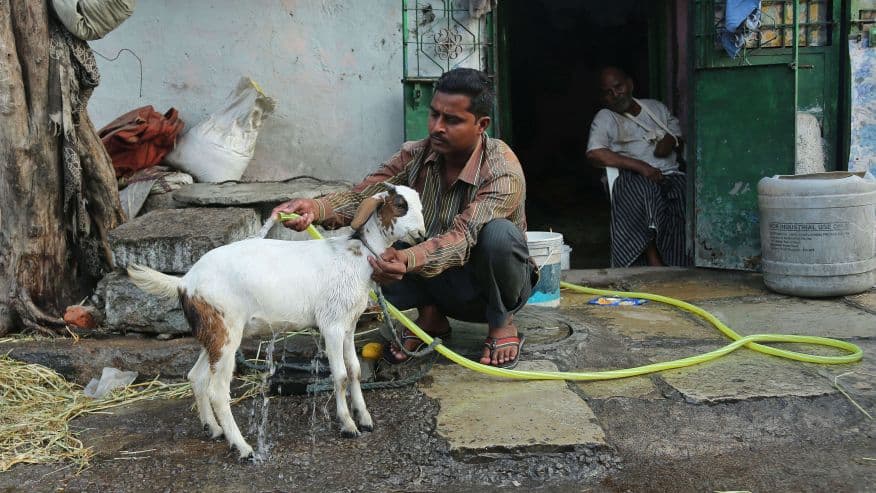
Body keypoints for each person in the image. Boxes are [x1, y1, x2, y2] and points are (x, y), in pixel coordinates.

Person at [272, 68, 535, 369]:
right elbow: (365, 196)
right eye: (434, 114)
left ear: (481, 124)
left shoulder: (502, 170)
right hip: (436, 281)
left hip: (485, 289)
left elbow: (464, 236)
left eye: (452, 120)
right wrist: (315, 209)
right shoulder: (416, 155)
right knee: (373, 235)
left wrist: (407, 259)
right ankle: (430, 317)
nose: (437, 127)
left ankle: (502, 323)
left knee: (498, 236)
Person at [586, 66, 690, 267]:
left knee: (684, 195)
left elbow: (678, 137)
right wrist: (641, 166)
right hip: (632, 175)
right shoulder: (606, 117)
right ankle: (653, 259)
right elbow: (595, 153)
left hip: (670, 174)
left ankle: (678, 262)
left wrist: (671, 141)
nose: (615, 95)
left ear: (630, 84)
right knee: (645, 194)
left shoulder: (656, 108)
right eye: (608, 92)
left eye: (618, 87)